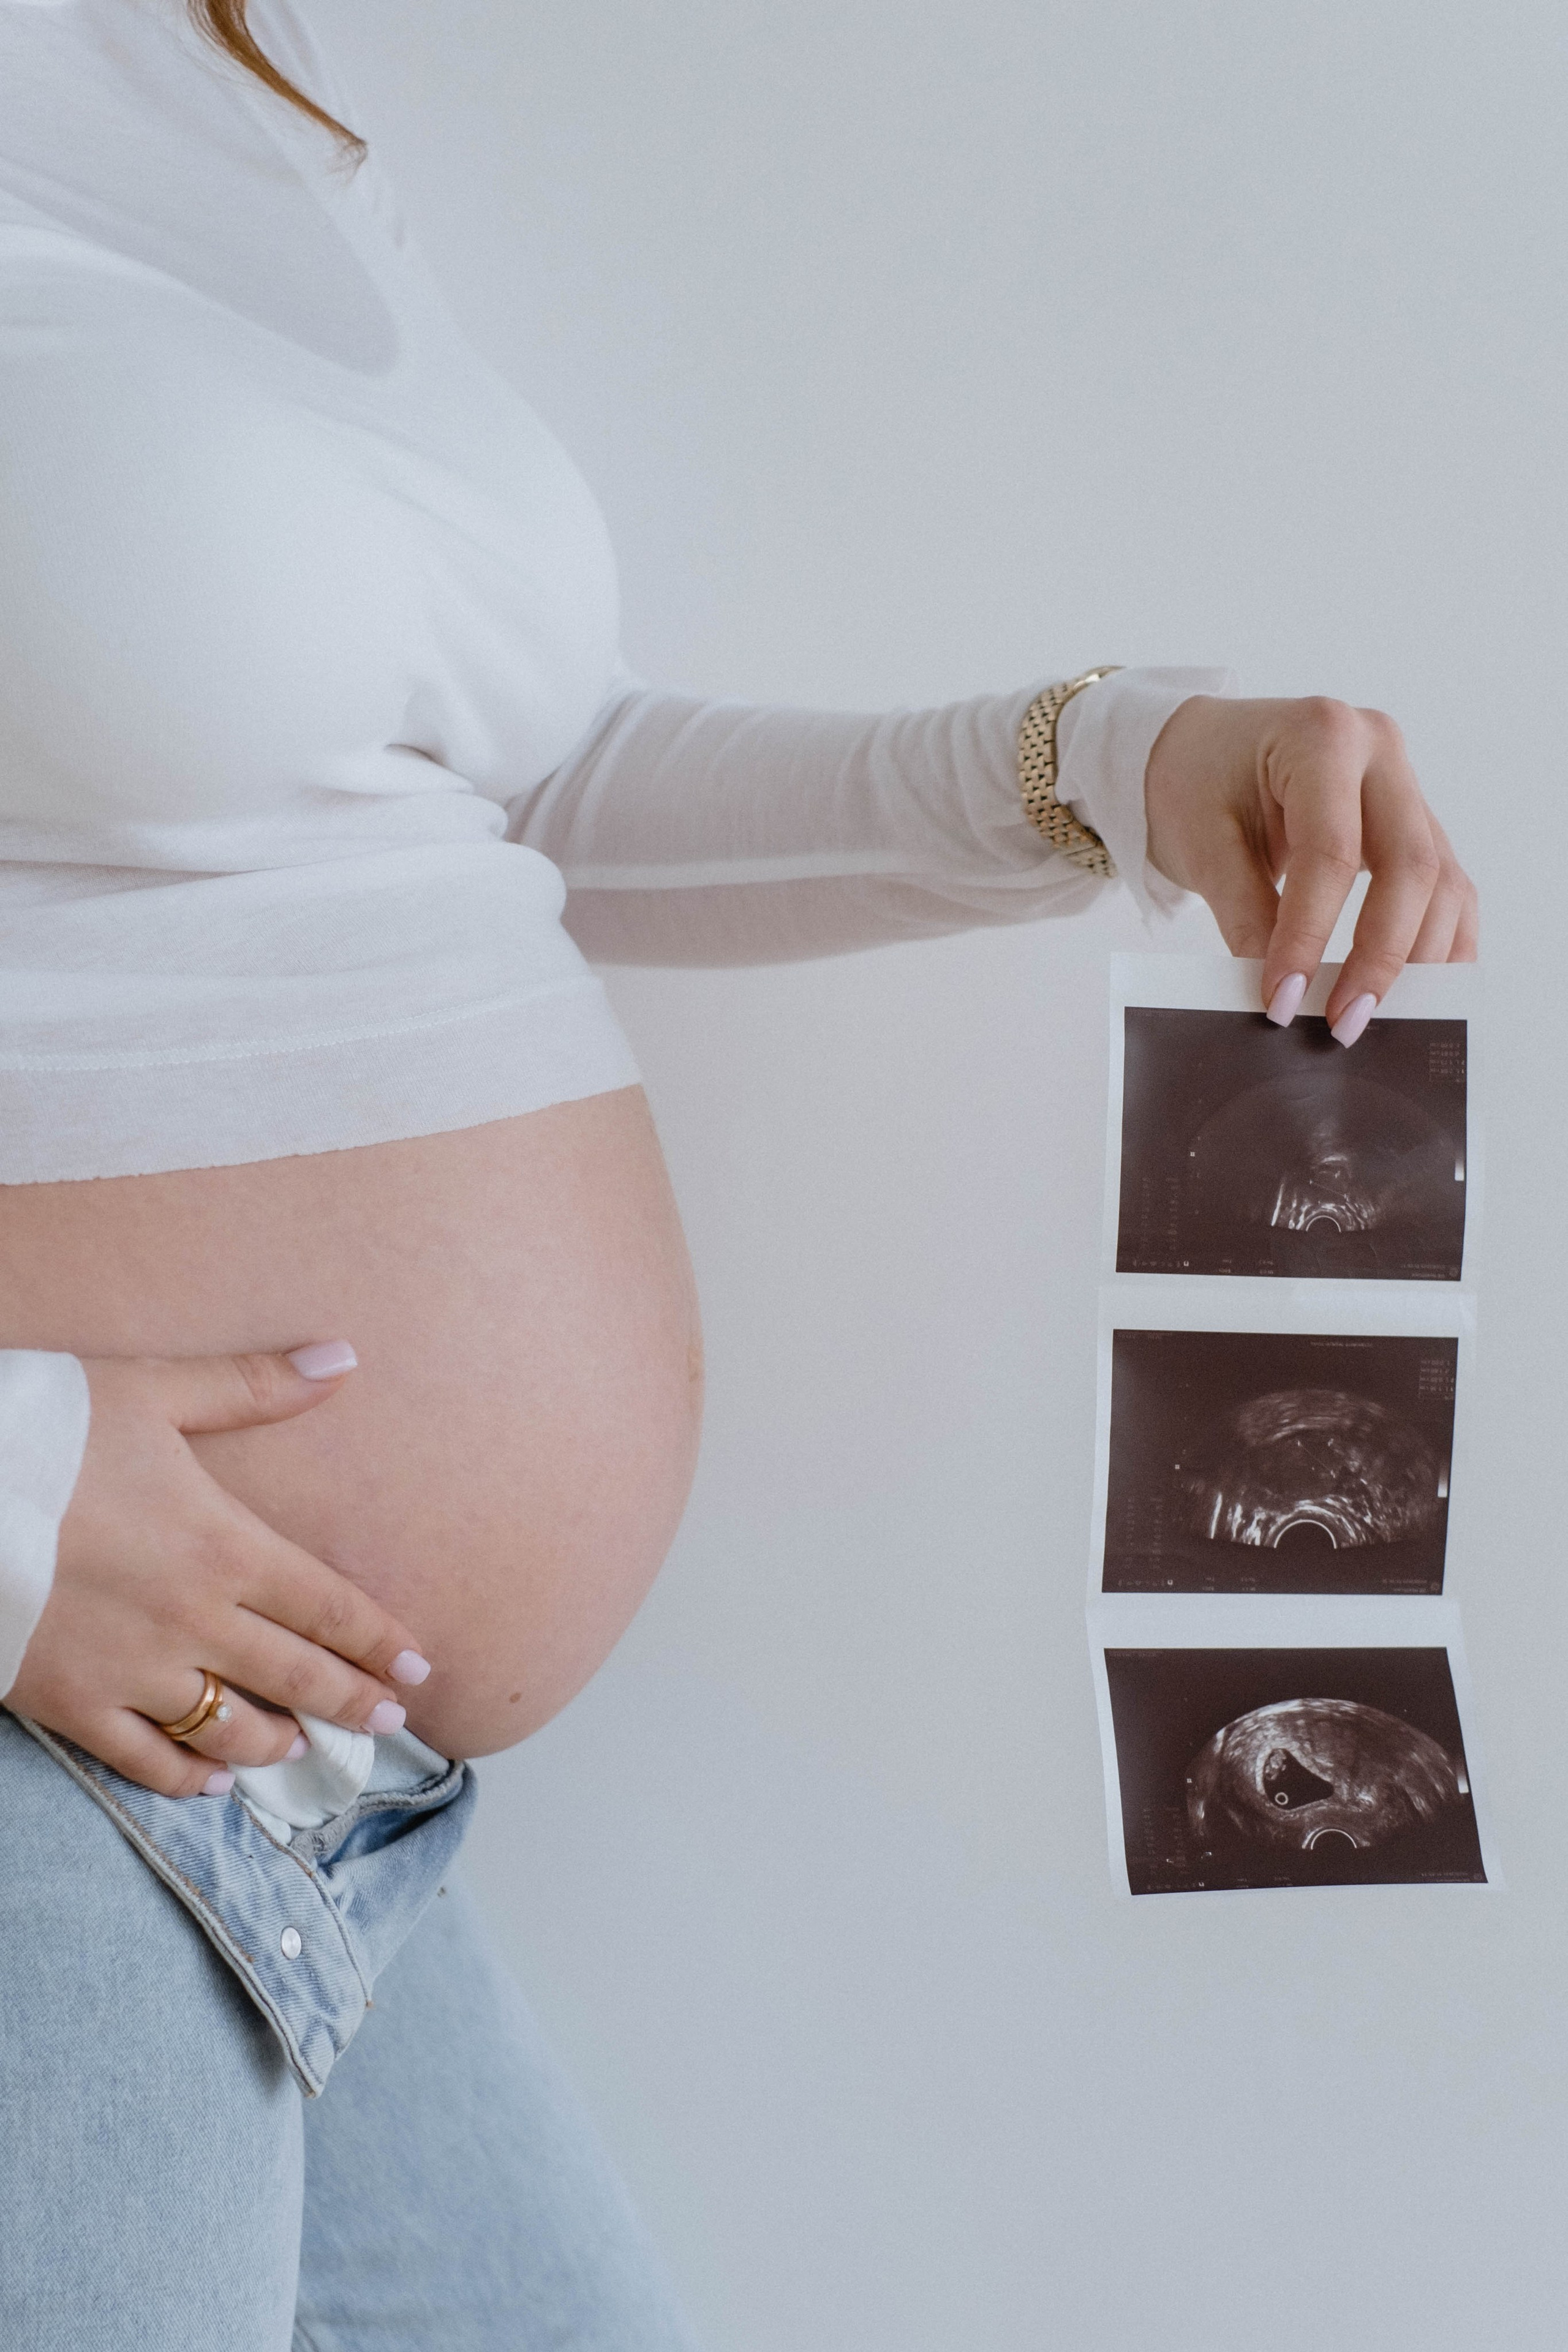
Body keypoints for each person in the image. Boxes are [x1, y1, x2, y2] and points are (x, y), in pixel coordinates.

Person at [0, 2, 1477, 2345]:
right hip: (56, 1759)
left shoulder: (235, 94)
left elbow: (499, 778)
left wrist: (1113, 762)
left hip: (310, 1787)